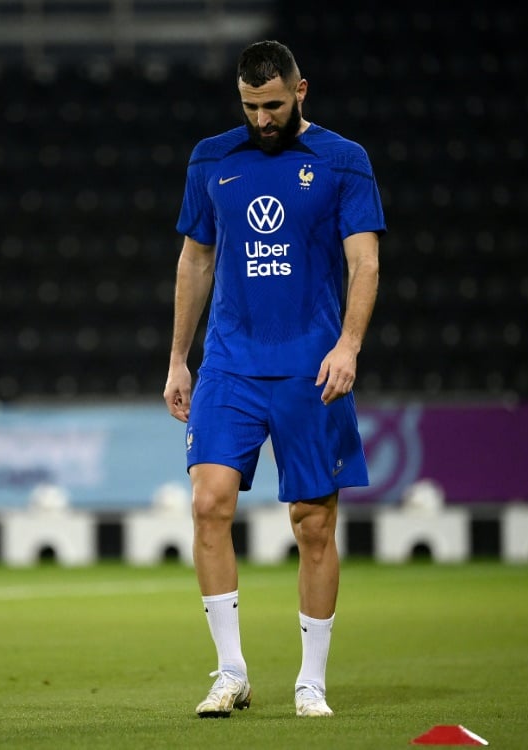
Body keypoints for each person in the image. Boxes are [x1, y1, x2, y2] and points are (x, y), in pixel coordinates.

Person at [163, 40, 385, 719]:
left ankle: (310, 682)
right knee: (208, 503)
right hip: (230, 363)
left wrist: (349, 345)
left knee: (312, 524)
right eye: (250, 106)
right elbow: (195, 261)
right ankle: (230, 672)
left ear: (301, 91)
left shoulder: (344, 160)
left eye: (274, 105)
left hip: (310, 368)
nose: (262, 119)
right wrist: (178, 358)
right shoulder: (211, 159)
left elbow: (365, 262)